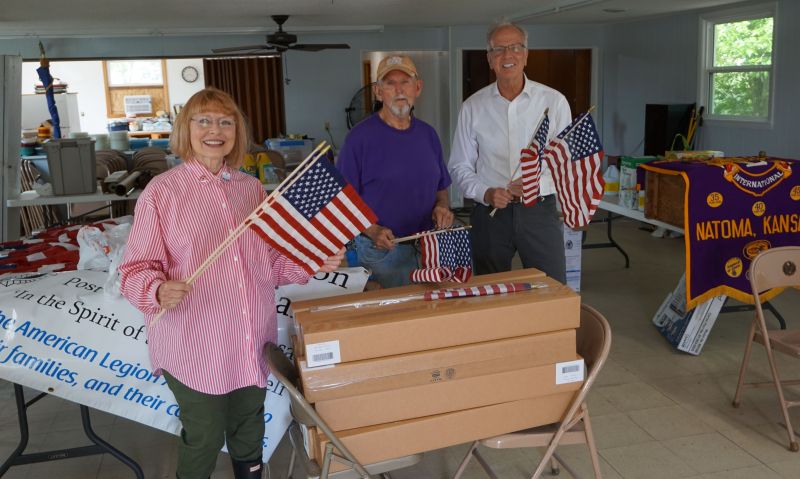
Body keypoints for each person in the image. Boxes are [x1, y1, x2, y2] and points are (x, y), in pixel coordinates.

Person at [119, 87, 343, 479]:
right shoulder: (162, 193)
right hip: (194, 344)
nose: (215, 130)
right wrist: (156, 289)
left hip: (247, 338)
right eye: (203, 120)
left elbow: (269, 264)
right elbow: (135, 268)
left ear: (237, 131)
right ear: (185, 129)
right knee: (204, 434)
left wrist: (313, 261)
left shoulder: (250, 189)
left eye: (226, 122)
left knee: (248, 430)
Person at [449, 19, 571, 283]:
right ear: (490, 59)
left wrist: (534, 183)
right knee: (490, 291)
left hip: (539, 210)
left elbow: (565, 163)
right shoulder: (472, 107)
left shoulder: (554, 101)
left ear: (526, 55)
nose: (508, 55)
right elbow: (459, 165)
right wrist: (486, 192)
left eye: (515, 48)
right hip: (490, 214)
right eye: (499, 49)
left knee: (551, 288)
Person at [337, 54, 454, 288]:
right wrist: (372, 230)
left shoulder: (428, 135)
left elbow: (441, 187)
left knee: (433, 313)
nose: (399, 89)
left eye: (405, 82)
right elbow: (342, 201)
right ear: (379, 92)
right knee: (394, 320)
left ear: (417, 88)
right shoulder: (358, 139)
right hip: (381, 252)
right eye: (390, 83)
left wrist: (442, 206)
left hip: (428, 247)